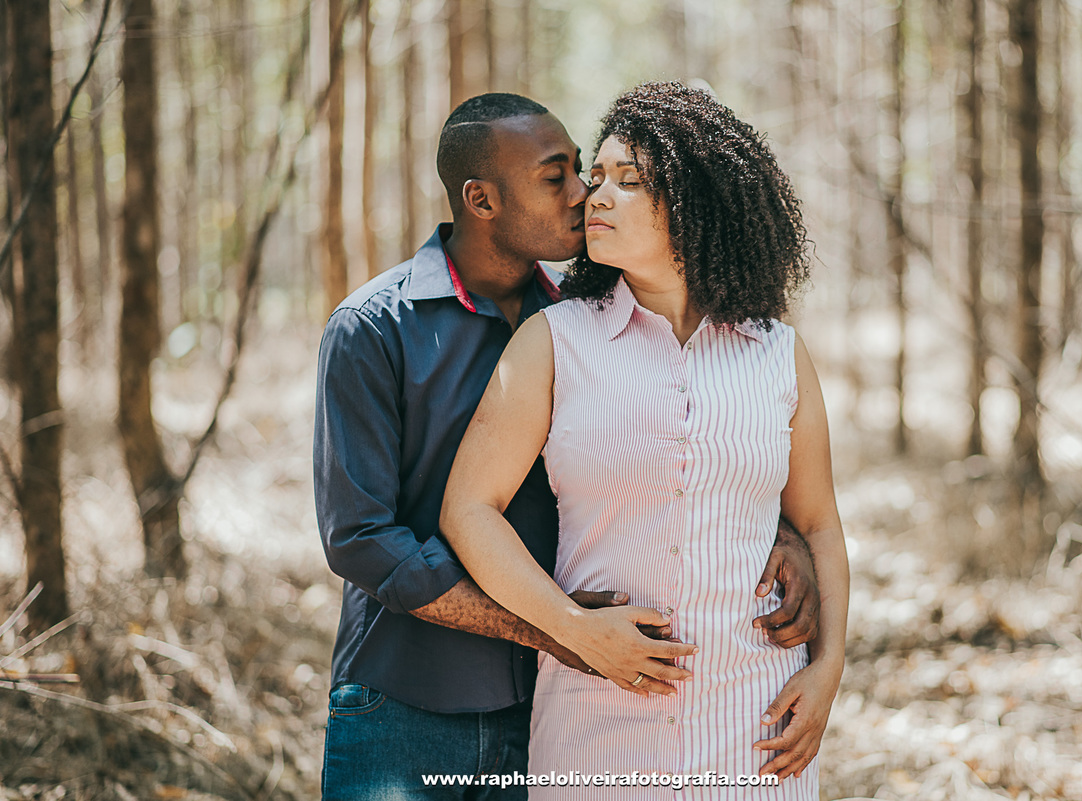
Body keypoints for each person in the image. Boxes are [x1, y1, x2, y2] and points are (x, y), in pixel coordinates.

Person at [313, 92, 823, 800]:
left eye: (588, 172)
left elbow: (694, 455)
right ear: (482, 200)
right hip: (409, 699)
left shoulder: (588, 316)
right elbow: (362, 538)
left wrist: (787, 534)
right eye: (559, 177)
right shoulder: (374, 327)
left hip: (549, 706)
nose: (585, 194)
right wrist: (560, 630)